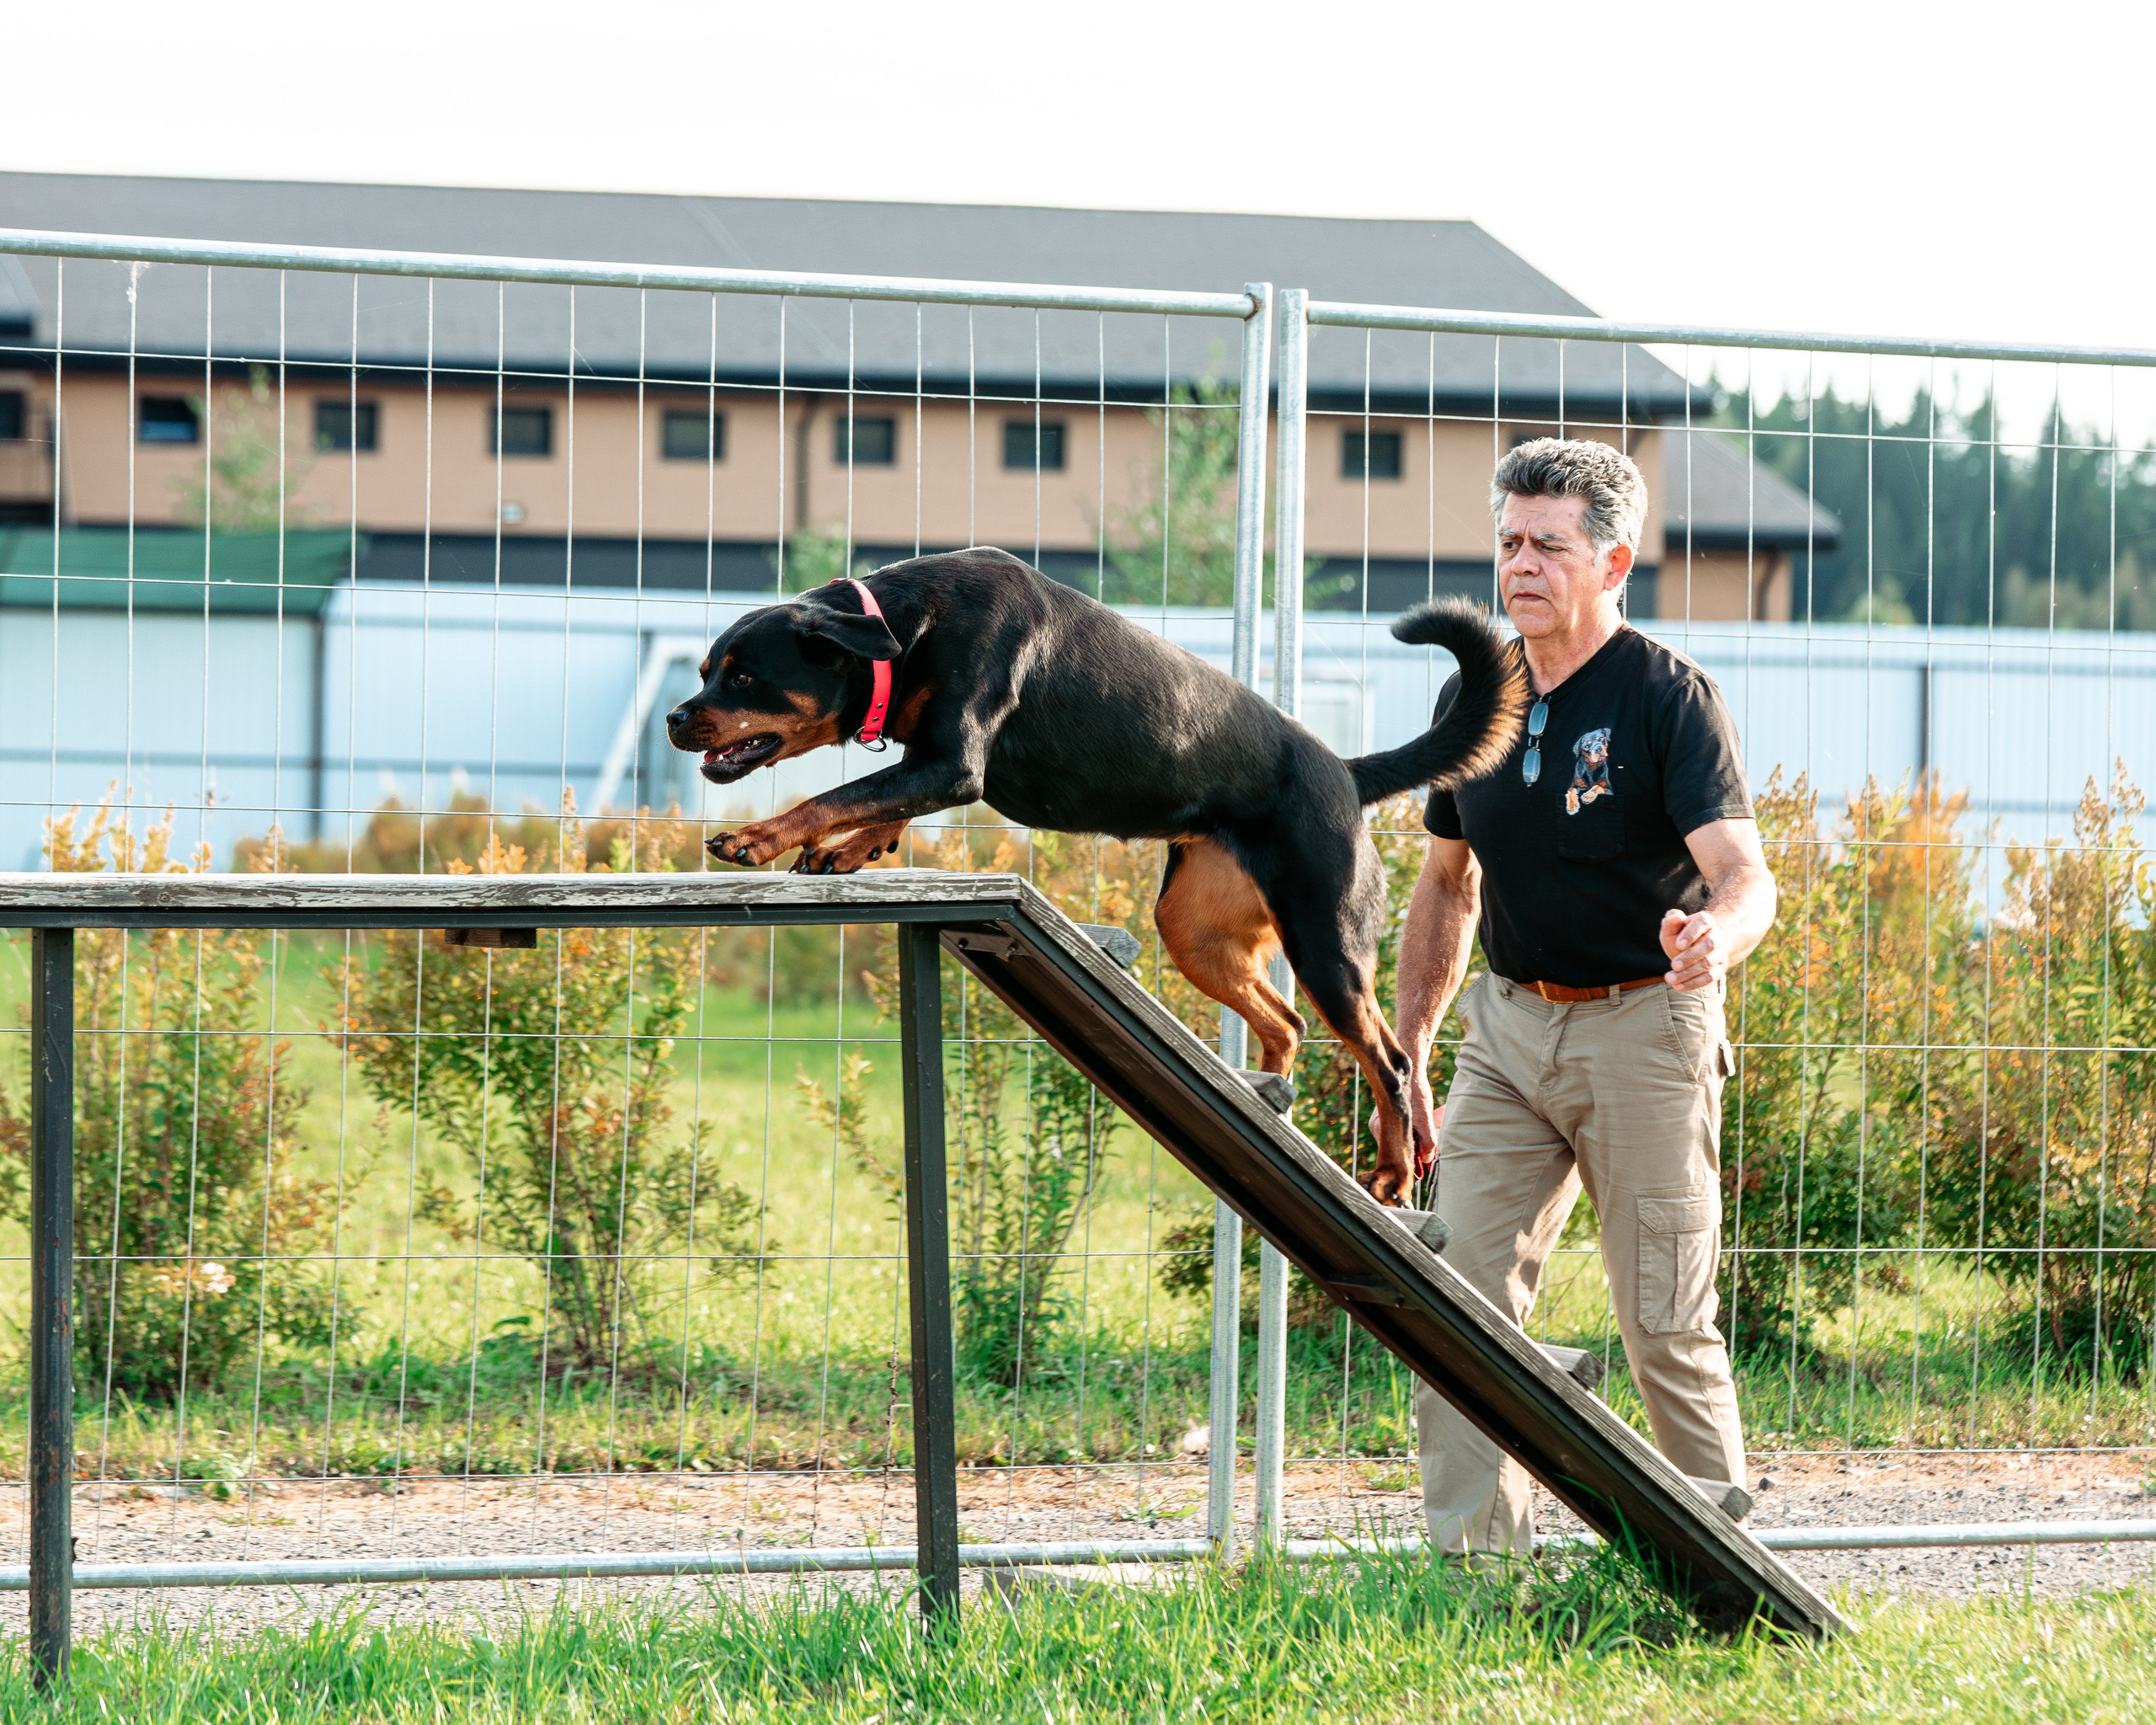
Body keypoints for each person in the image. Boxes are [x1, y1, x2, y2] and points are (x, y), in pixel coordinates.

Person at [1396, 436, 1778, 1557]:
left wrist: (1718, 939)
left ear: (1612, 564)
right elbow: (1445, 884)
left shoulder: (1669, 699)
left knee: (1665, 1316)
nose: (1520, 565)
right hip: (1509, 1033)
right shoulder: (1476, 692)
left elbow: (1746, 877)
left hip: (1645, 1028)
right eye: (1508, 541)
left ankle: (1718, 1575)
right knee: (1454, 1303)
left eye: (1548, 547)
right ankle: (1475, 1584)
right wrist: (1410, 1045)